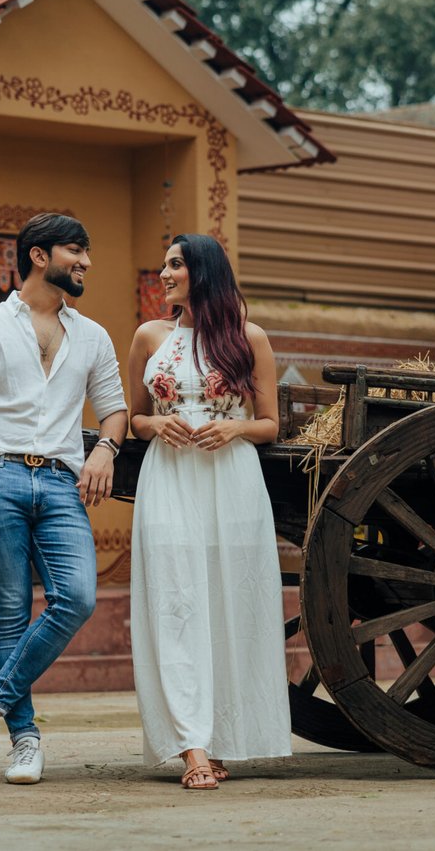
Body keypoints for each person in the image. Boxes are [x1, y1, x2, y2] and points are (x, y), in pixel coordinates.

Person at [0, 213, 129, 785]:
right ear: (39, 256)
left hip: (60, 482)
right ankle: (25, 739)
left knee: (75, 597)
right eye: (77, 250)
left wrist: (105, 450)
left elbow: (115, 408)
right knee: (7, 614)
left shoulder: (93, 336)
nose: (87, 262)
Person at [126, 233, 292, 790]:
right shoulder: (149, 336)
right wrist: (155, 424)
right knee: (175, 604)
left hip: (232, 483)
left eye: (175, 264)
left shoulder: (250, 338)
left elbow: (270, 424)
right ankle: (191, 747)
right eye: (165, 263)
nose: (165, 273)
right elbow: (133, 419)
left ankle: (220, 737)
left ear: (203, 271)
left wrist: (235, 426)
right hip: (169, 479)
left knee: (228, 603)